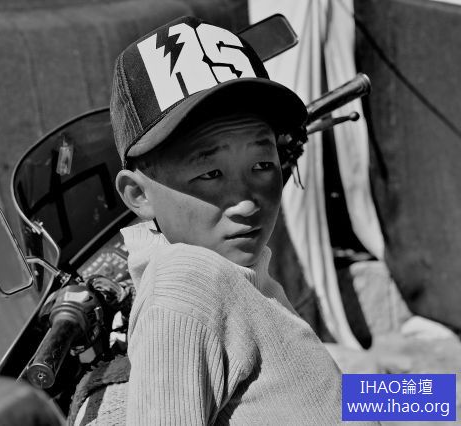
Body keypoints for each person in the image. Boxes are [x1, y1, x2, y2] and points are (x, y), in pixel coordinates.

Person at [73, 15, 376, 425]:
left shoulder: (234, 274)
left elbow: (312, 394)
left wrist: (430, 396)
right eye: (210, 173)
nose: (247, 204)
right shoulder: (186, 283)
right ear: (138, 194)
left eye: (263, 164)